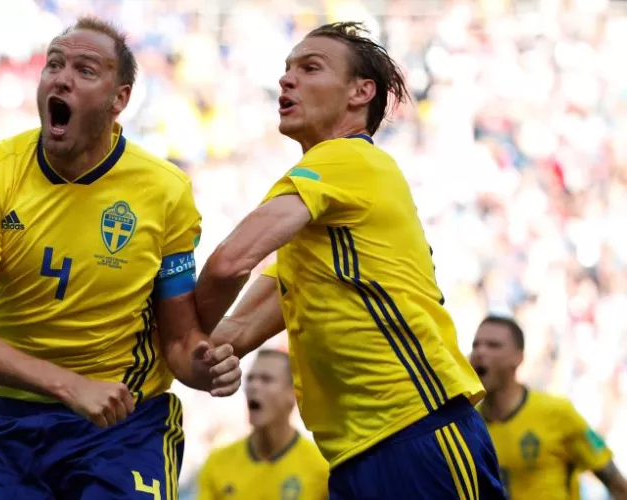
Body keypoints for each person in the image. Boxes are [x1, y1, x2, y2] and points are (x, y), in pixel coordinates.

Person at [0, 17, 241, 500]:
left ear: (120, 99)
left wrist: (204, 366)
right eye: (53, 64)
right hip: (17, 428)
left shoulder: (164, 191)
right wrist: (70, 386)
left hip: (125, 427)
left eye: (85, 69)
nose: (61, 77)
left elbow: (179, 339)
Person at [195, 21, 505, 500]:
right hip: (359, 454)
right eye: (286, 69)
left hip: (417, 434)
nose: (286, 79)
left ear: (362, 93)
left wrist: (176, 339)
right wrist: (183, 354)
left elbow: (229, 264)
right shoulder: (322, 242)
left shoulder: (346, 160)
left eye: (309, 67)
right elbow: (232, 334)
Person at [470, 315, 627, 500]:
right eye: (476, 345)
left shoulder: (558, 412)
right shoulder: (469, 426)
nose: (480, 352)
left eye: (493, 345)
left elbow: (616, 483)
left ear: (518, 358)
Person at [198, 348, 329, 500]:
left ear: (294, 393)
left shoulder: (321, 469)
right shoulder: (217, 464)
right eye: (250, 378)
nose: (253, 386)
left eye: (266, 379)